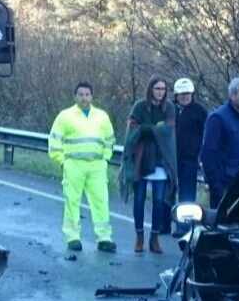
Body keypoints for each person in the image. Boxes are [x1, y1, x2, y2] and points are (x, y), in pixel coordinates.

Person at [49, 82, 116, 252]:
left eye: (87, 94)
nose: (84, 98)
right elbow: (55, 140)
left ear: (92, 96)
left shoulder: (102, 117)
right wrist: (63, 161)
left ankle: (104, 238)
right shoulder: (65, 116)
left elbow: (110, 140)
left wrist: (106, 159)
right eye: (80, 94)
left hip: (97, 166)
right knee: (72, 201)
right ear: (75, 96)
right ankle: (72, 237)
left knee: (101, 201)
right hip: (74, 165)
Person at [118, 74, 179, 254]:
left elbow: (168, 130)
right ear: (150, 88)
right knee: (139, 198)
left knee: (159, 200)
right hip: (141, 159)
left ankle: (154, 237)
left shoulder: (169, 108)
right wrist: (154, 128)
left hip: (161, 159)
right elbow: (133, 128)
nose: (160, 92)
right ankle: (139, 236)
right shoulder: (139, 106)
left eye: (163, 89)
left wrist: (150, 129)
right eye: (157, 88)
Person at [201, 78, 239, 208]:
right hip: (226, 185)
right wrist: (216, 186)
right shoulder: (219, 118)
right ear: (233, 95)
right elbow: (207, 154)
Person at [173, 77, 207, 205]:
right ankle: (164, 224)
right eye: (182, 94)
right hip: (170, 159)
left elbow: (206, 134)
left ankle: (185, 224)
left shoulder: (199, 111)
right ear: (176, 95)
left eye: (187, 94)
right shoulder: (169, 109)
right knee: (166, 195)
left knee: (187, 196)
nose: (185, 97)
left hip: (190, 161)